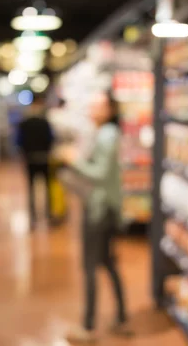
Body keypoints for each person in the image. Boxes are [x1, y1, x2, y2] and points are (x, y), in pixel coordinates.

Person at [57, 91, 130, 342]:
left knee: (90, 266)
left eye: (98, 105)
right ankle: (121, 317)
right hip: (105, 207)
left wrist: (74, 160)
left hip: (100, 210)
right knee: (108, 262)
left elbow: (99, 173)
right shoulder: (104, 134)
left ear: (110, 109)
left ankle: (88, 327)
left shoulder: (108, 136)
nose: (92, 109)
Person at [16, 95, 54, 228]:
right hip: (43, 158)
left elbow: (19, 141)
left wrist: (23, 154)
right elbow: (51, 138)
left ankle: (33, 217)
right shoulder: (45, 122)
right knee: (46, 187)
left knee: (32, 188)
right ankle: (48, 215)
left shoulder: (24, 123)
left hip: (30, 158)